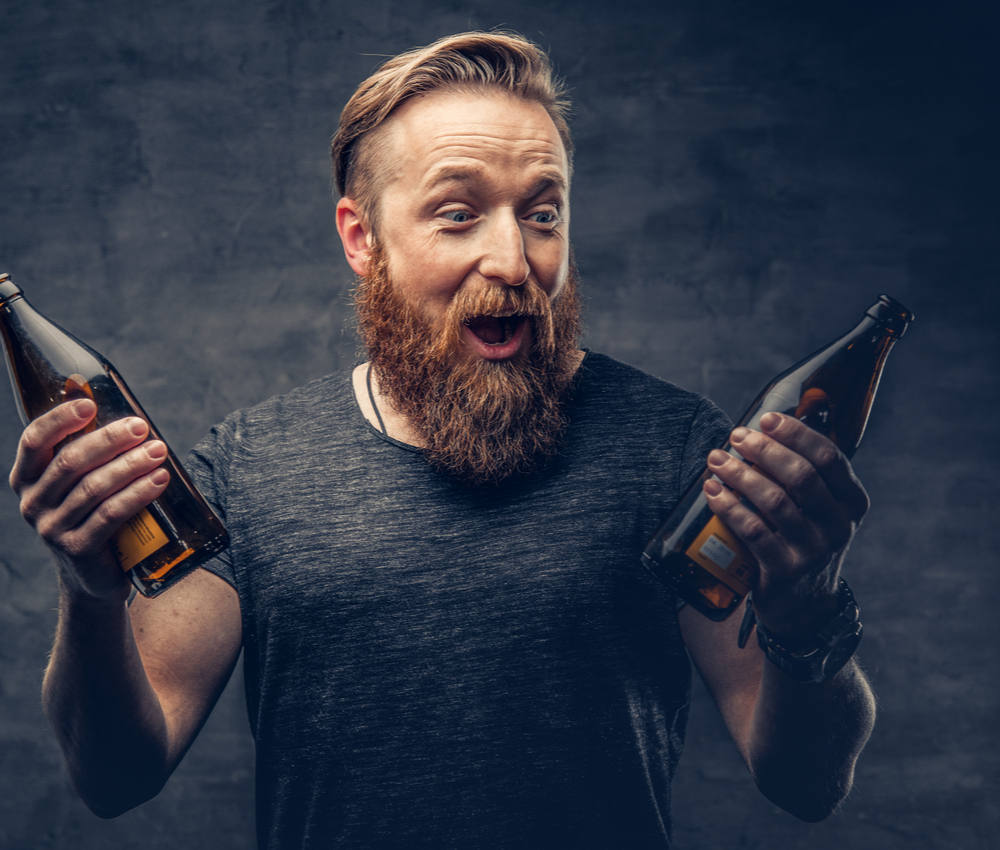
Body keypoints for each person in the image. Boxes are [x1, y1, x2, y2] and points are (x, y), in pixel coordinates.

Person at [9, 31, 875, 849]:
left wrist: (807, 609)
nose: (512, 259)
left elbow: (806, 784)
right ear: (363, 238)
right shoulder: (251, 470)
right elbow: (115, 775)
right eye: (457, 214)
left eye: (543, 214)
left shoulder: (678, 450)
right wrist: (88, 594)